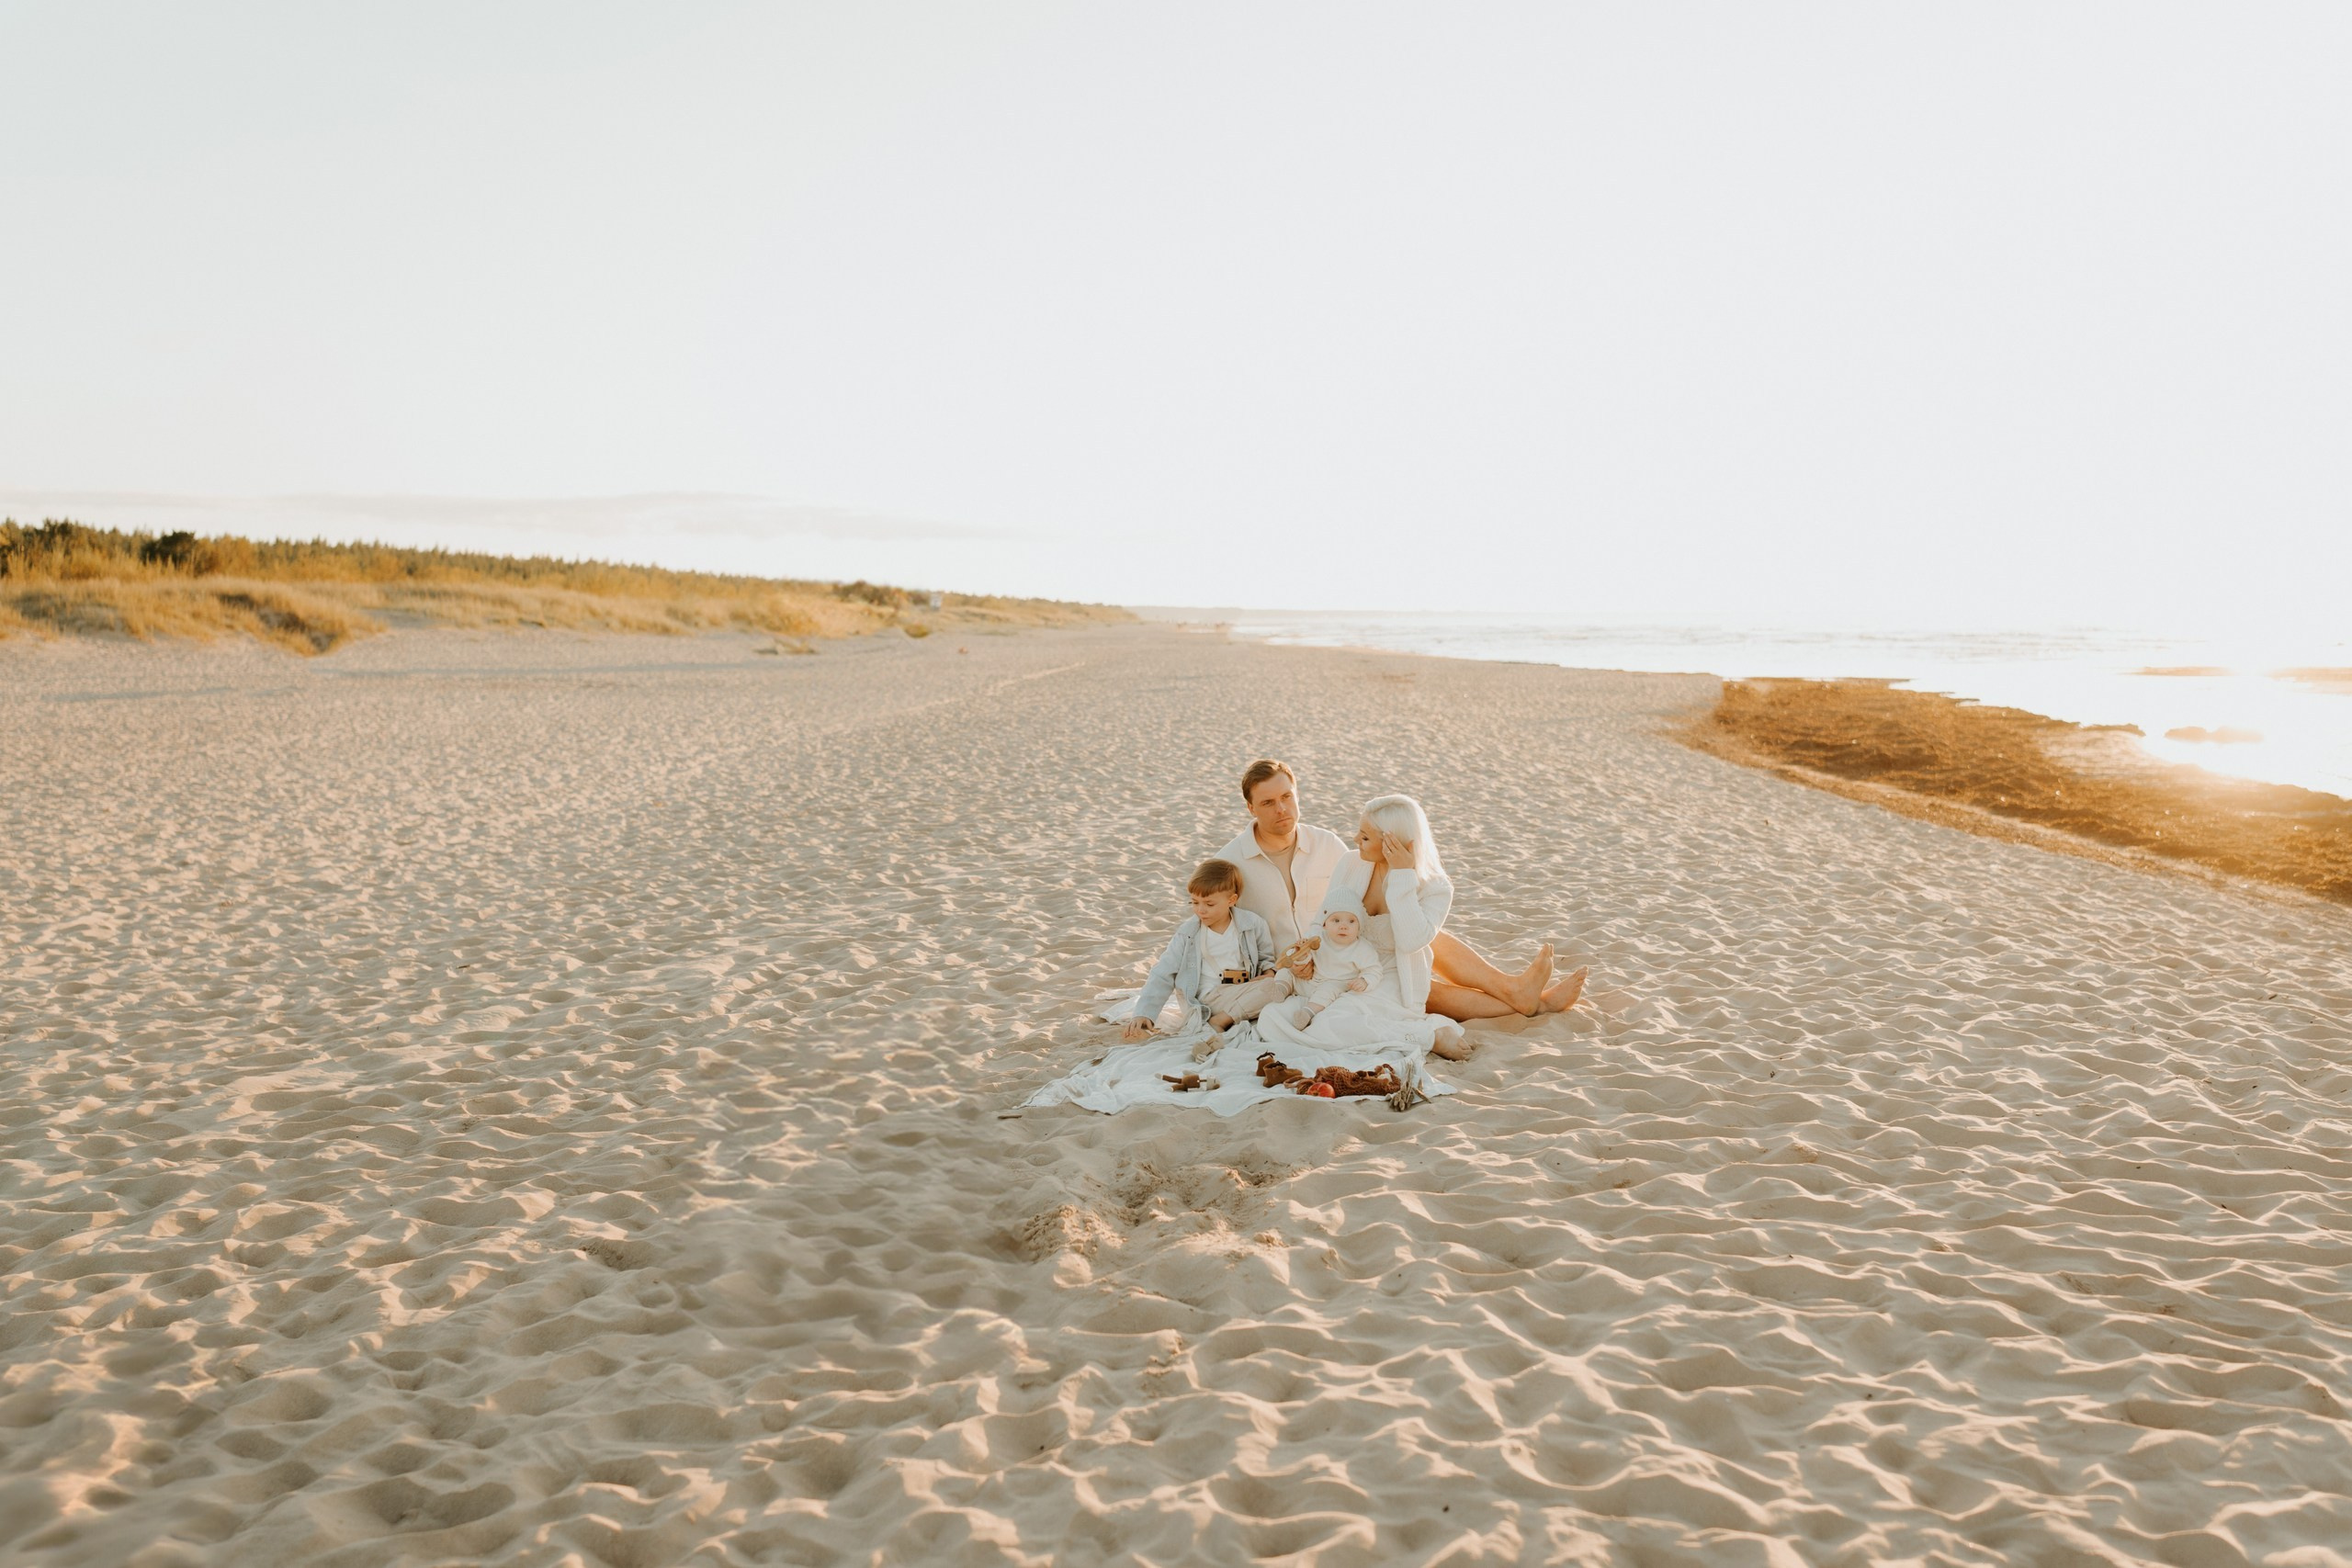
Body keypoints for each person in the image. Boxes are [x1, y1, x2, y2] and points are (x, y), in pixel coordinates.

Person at [1223, 758, 1587, 1021]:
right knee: (1427, 990)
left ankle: (1514, 989)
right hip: (1314, 961)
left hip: (1359, 946)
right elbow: (1210, 927)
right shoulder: (1231, 863)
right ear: (1251, 807)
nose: (1282, 809)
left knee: (1432, 941)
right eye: (1268, 802)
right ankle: (1534, 1003)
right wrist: (1260, 974)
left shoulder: (1330, 846)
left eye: (1287, 796)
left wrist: (1400, 876)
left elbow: (1401, 931)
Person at [1257, 794, 1472, 1058]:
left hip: (1385, 979)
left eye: (1366, 837)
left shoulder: (1436, 887)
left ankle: (1429, 1034)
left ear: (1397, 843)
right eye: (1359, 832)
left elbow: (1411, 941)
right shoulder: (1350, 862)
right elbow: (1321, 920)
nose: (1356, 840)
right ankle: (1408, 1033)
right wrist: (1308, 957)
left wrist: (1403, 876)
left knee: (1332, 1024)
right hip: (1336, 968)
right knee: (1271, 1017)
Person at [1123, 858, 1290, 1057]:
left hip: (1242, 990)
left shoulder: (1252, 924)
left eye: (1209, 904)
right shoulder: (1188, 933)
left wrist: (1268, 972)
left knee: (1281, 981)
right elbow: (1163, 972)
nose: (1200, 910)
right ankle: (1220, 1020)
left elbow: (1266, 958)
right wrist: (1145, 1012)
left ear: (1232, 900)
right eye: (1194, 902)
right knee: (1273, 989)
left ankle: (1231, 1015)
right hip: (1205, 999)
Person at [1286, 908, 1382, 1028]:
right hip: (1310, 979)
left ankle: (1307, 1012)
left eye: (1351, 921)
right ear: (1325, 924)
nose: (1343, 926)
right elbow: (1296, 959)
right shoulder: (1316, 937)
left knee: (1327, 991)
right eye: (1336, 920)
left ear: (1359, 926)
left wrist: (1365, 980)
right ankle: (1280, 988)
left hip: (1335, 982)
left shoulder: (1362, 948)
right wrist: (1301, 953)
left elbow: (1373, 969)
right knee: (1285, 972)